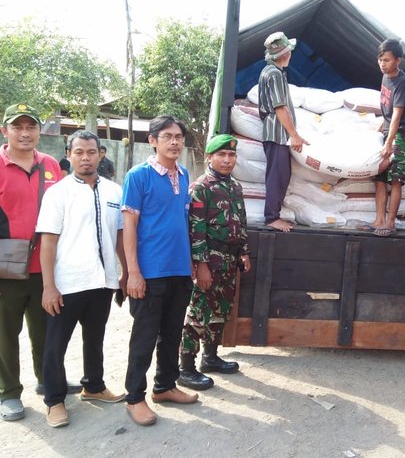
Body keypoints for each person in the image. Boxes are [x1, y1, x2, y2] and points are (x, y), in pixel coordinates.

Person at [0, 103, 70, 421]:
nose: (25, 133)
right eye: (18, 127)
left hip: (47, 270)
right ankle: (10, 393)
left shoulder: (52, 165)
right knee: (4, 335)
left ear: (40, 131)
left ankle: (47, 380)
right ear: (5, 131)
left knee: (46, 331)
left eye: (31, 127)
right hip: (6, 270)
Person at [37, 130, 127, 428]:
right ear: (69, 154)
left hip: (102, 283)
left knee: (95, 338)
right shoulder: (57, 193)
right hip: (67, 283)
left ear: (101, 153)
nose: (85, 157)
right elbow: (48, 242)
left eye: (91, 152)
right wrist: (49, 287)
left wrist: (125, 272)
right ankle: (54, 401)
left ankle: (94, 385)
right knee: (55, 345)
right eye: (79, 152)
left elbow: (119, 236)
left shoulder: (114, 191)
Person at [121, 115, 197, 426]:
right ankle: (134, 397)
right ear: (153, 140)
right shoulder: (138, 176)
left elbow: (182, 223)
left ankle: (165, 386)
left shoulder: (184, 173)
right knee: (144, 336)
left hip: (179, 271)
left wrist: (190, 264)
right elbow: (129, 227)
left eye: (178, 136)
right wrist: (133, 272)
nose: (174, 141)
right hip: (150, 273)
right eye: (167, 136)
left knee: (171, 335)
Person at [179, 134, 251, 391]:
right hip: (209, 259)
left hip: (230, 260)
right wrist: (201, 265)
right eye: (221, 155)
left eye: (231, 155)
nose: (227, 159)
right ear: (210, 157)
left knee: (221, 310)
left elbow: (240, 221)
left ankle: (210, 357)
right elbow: (195, 230)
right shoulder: (201, 188)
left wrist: (243, 251)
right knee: (198, 312)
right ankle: (185, 368)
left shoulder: (235, 187)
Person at [258, 31, 308, 232]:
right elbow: (280, 108)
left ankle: (273, 215)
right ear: (285, 54)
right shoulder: (275, 74)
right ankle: (271, 217)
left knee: (281, 174)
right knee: (278, 176)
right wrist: (294, 135)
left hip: (277, 133)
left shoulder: (270, 72)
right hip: (276, 133)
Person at [367, 39, 405, 237]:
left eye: (387, 60)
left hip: (402, 136)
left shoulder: (403, 82)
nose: (382, 64)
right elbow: (386, 107)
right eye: (380, 60)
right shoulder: (386, 77)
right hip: (388, 132)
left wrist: (389, 143)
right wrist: (382, 124)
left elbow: (397, 114)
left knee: (395, 180)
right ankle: (378, 219)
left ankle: (390, 222)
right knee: (379, 178)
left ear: (398, 60)